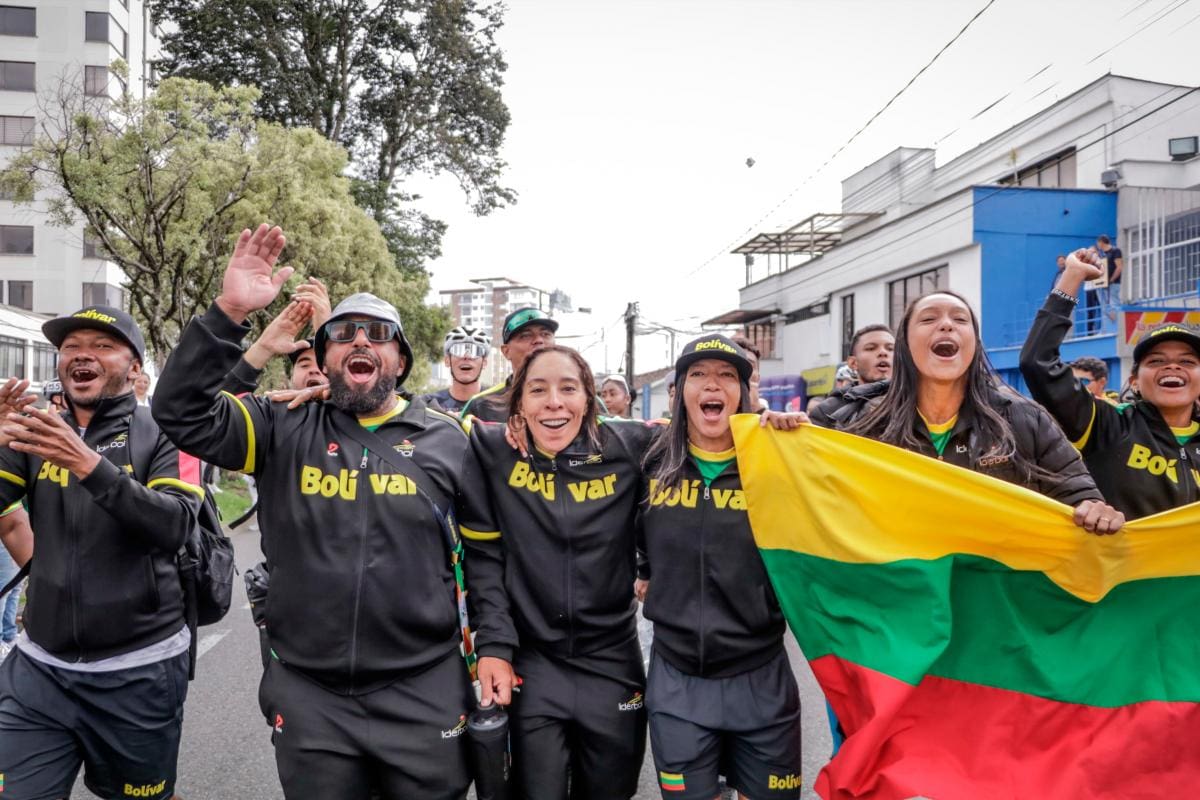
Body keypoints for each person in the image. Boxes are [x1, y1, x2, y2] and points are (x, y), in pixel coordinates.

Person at [152, 224, 477, 799]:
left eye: (378, 335)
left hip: (423, 686)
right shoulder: (281, 424)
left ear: (398, 361)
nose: (359, 342)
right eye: (342, 334)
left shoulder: (449, 439)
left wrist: (494, 649)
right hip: (310, 693)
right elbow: (181, 412)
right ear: (323, 359)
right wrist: (230, 315)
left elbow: (489, 559)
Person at [0, 305, 203, 800]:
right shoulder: (34, 432)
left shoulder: (165, 432)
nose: (81, 355)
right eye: (70, 347)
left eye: (102, 346)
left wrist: (88, 465)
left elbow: (176, 525)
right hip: (40, 668)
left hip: (138, 671)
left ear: (134, 367)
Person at [462, 345, 659, 800]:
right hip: (535, 662)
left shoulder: (629, 445)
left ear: (589, 399)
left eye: (568, 388)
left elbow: (708, 433)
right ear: (519, 404)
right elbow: (484, 560)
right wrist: (494, 645)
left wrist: (768, 421)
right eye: (537, 390)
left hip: (613, 660)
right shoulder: (491, 447)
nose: (553, 401)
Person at [639, 335, 805, 800]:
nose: (713, 384)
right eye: (699, 374)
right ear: (679, 391)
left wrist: (800, 433)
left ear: (747, 395)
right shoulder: (650, 460)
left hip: (761, 678)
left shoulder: (780, 459)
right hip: (677, 682)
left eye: (727, 375)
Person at [842, 290, 1123, 533]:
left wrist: (1096, 510)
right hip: (907, 588)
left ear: (974, 343)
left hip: (995, 589)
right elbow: (832, 503)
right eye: (929, 319)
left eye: (960, 319)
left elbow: (1078, 493)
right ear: (904, 343)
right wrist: (797, 437)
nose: (947, 325)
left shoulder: (1024, 418)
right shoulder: (866, 424)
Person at [1020, 249, 1200, 519]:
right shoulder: (1107, 424)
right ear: (1134, 382)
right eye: (1156, 361)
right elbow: (1037, 361)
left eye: (1187, 362)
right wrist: (1072, 276)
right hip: (1118, 561)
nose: (1172, 366)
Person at [461, 307, 558, 422]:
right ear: (506, 351)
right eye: (526, 335)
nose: (538, 340)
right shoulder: (482, 405)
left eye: (546, 334)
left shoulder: (575, 397)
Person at [809, 324, 894, 427]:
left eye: (890, 349)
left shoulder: (914, 402)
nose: (883, 352)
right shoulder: (827, 411)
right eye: (871, 348)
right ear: (853, 363)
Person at [425, 326, 491, 414]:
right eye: (458, 350)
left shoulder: (500, 403)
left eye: (476, 351)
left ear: (484, 362)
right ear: (447, 361)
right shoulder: (430, 404)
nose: (467, 356)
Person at [731, 335, 769, 412]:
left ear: (757, 379)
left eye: (749, 366)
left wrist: (756, 408)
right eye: (734, 365)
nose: (741, 371)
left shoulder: (770, 419)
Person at [1095, 234, 1123, 327]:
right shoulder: (1100, 254)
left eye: (1098, 243)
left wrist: (1111, 279)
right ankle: (1107, 327)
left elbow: (1119, 267)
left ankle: (1118, 326)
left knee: (1114, 304)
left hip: (1113, 283)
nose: (1098, 245)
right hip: (1101, 284)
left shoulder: (1115, 251)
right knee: (1104, 308)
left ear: (1101, 242)